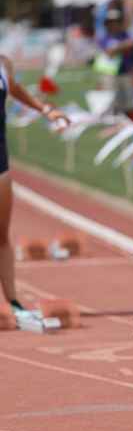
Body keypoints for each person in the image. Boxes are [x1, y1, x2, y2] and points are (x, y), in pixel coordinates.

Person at [0, 55, 69, 314]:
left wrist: (45, 109)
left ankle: (13, 302)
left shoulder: (3, 63)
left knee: (1, 234)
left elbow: (14, 87)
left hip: (0, 161)